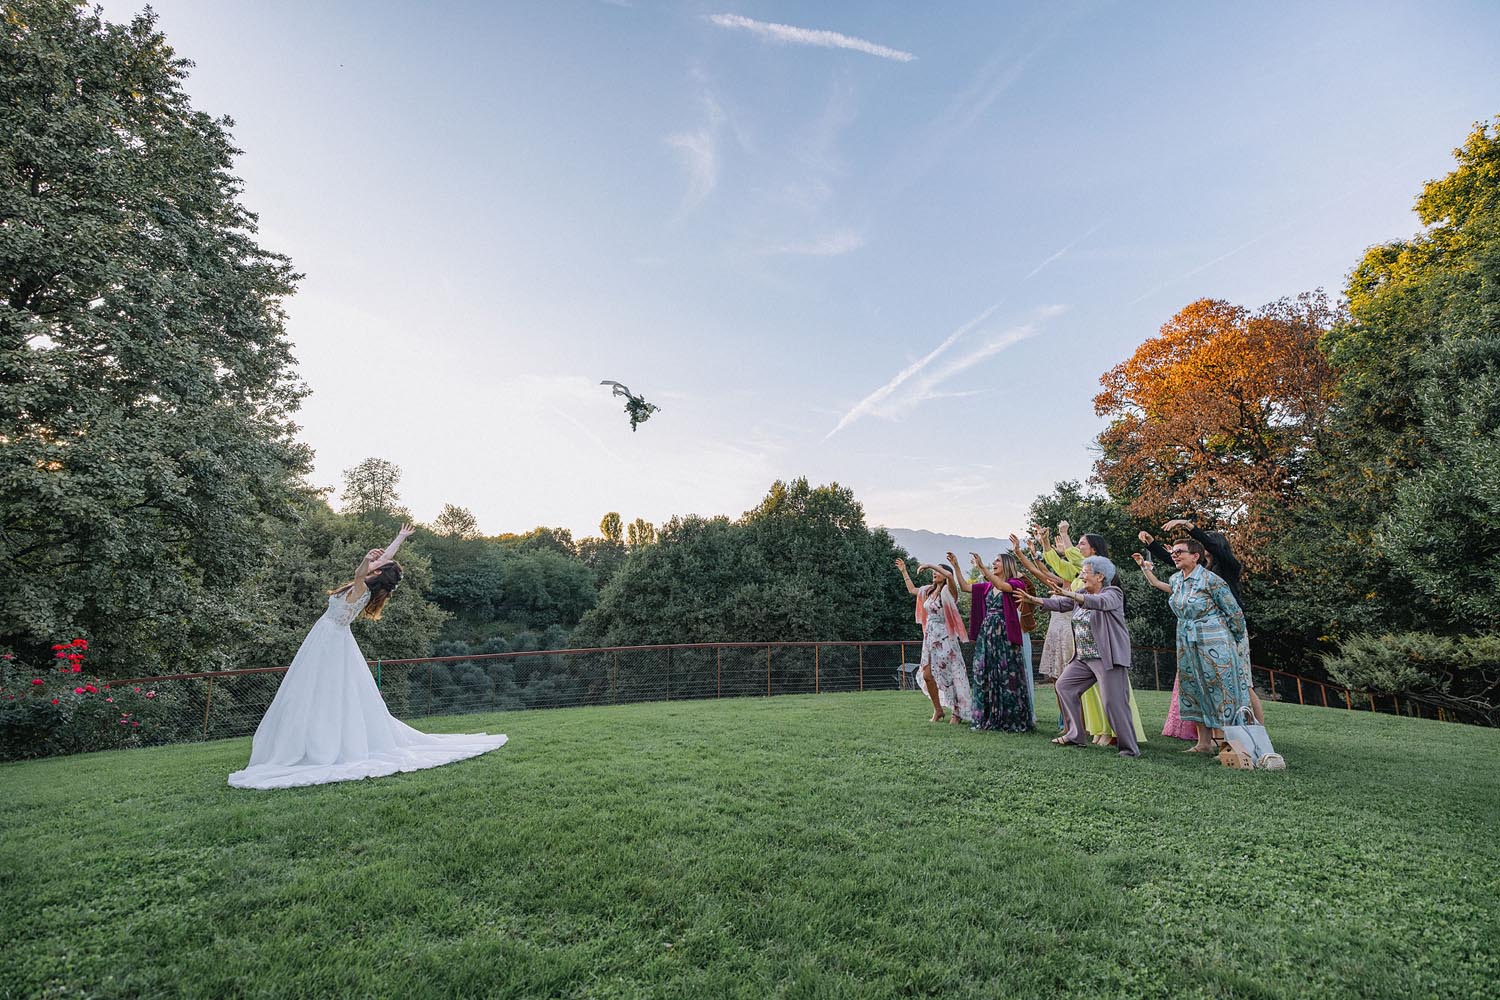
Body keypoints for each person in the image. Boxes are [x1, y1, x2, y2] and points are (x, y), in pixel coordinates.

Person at [229, 525, 509, 789]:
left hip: (329, 641)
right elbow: (384, 562)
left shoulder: (361, 588)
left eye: (375, 567)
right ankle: (313, 738)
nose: (374, 565)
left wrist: (366, 559)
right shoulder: (368, 587)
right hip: (333, 639)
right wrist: (400, 538)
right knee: (325, 693)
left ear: (376, 575)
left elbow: (361, 571)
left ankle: (317, 744)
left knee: (317, 691)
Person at [1140, 518, 1266, 725]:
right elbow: (1173, 561)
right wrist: (1152, 544)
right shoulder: (1196, 571)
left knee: (1242, 681)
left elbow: (1234, 613)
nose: (1177, 555)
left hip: (1228, 632)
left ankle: (1257, 728)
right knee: (1207, 682)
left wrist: (1187, 526)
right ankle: (1211, 734)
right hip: (1203, 635)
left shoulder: (1228, 567)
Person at [1133, 539, 1252, 754]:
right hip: (1186, 640)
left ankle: (1231, 744)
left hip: (1214, 640)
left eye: (1180, 552)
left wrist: (1233, 640)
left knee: (1222, 688)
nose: (1175, 555)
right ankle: (1203, 743)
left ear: (1195, 556)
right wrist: (1145, 569)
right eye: (1174, 552)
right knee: (1193, 688)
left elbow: (1234, 612)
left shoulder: (1211, 581)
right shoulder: (1176, 580)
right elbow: (1164, 590)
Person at [1016, 556, 1139, 757]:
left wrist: (1071, 594)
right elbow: (1061, 604)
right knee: (1064, 686)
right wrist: (1034, 600)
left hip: (1106, 658)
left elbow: (1099, 602)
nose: (1081, 576)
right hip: (1083, 658)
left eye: (1085, 572)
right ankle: (1075, 735)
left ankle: (1129, 749)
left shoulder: (1113, 593)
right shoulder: (1080, 593)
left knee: (1113, 702)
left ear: (1100, 576)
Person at [945, 550, 1033, 732]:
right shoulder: (986, 587)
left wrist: (982, 567)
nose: (994, 563)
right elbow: (964, 587)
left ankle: (1010, 719)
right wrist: (956, 566)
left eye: (998, 561)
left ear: (1007, 565)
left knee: (1006, 674)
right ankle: (988, 717)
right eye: (993, 561)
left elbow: (1002, 586)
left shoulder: (1016, 583)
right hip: (987, 634)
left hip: (1005, 635)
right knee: (985, 672)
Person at [897, 559, 972, 724]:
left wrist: (930, 565)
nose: (934, 573)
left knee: (949, 674)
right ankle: (938, 709)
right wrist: (904, 571)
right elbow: (912, 590)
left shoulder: (949, 591)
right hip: (930, 637)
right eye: (933, 571)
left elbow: (950, 577)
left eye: (938, 571)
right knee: (927, 674)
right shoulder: (928, 591)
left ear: (945, 575)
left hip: (945, 637)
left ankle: (956, 711)